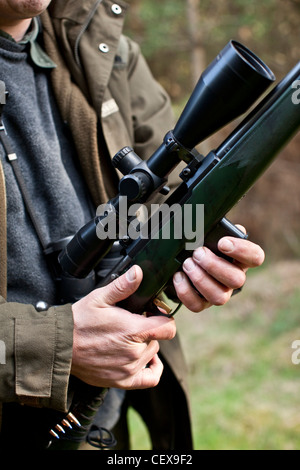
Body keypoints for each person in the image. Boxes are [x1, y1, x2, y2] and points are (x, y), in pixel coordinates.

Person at [0, 0, 265, 450]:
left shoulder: (100, 46)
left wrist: (202, 256)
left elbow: (181, 198)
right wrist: (54, 345)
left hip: (101, 425)